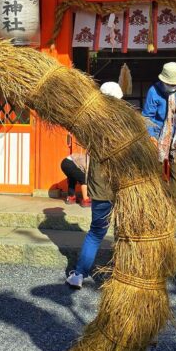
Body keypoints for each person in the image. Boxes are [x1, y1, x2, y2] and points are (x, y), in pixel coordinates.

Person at [66, 81, 124, 289]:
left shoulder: (90, 120)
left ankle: (79, 274)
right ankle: (121, 276)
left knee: (96, 232)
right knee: (123, 232)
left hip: (101, 185)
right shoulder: (126, 122)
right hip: (124, 185)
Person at [142, 62, 176, 206]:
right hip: (158, 136)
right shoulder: (153, 91)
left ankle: (174, 205)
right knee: (156, 172)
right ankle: (158, 203)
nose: (173, 86)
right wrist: (151, 136)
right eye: (169, 83)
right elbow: (147, 117)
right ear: (163, 80)